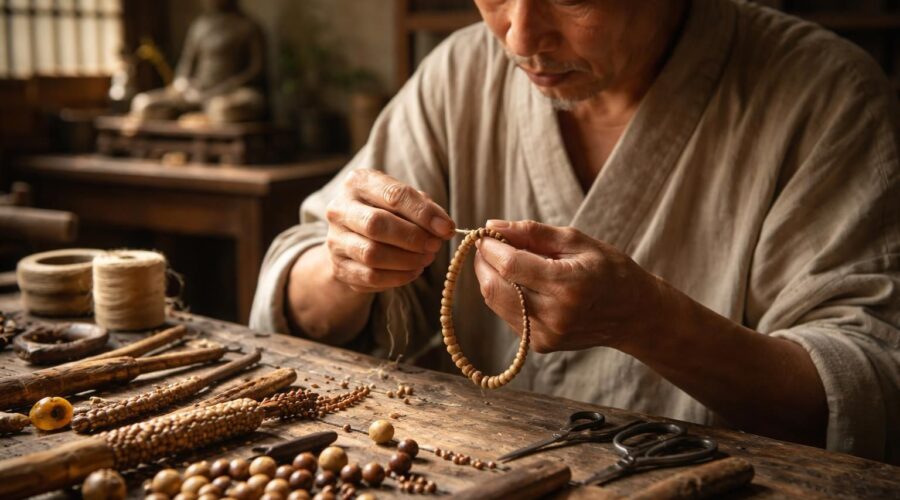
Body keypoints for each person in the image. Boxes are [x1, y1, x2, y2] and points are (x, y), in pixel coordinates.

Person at [251, 0, 900, 462]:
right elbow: (298, 290)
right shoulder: (460, 74)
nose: (520, 35)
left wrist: (651, 322)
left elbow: (866, 395)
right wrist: (347, 268)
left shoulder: (825, 95)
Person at [131, 0, 266, 123]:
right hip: (197, 91)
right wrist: (183, 85)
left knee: (223, 110)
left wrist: (222, 89)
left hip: (230, 93)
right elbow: (186, 65)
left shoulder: (248, 26)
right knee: (143, 104)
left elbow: (256, 71)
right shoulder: (200, 26)